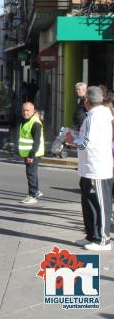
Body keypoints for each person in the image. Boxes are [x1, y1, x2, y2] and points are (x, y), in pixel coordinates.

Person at [66, 86, 114, 251]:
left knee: (100, 203)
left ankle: (103, 239)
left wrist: (73, 141)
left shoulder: (97, 116)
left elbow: (88, 143)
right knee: (89, 202)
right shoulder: (95, 115)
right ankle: (92, 235)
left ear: (87, 100)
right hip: (89, 167)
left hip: (97, 168)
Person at [18, 102, 44, 204]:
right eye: (24, 110)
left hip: (33, 154)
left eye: (28, 110)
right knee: (33, 173)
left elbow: (36, 141)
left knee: (30, 173)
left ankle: (32, 195)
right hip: (28, 153)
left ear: (33, 111)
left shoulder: (35, 123)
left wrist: (31, 155)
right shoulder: (26, 120)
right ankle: (36, 191)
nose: (25, 112)